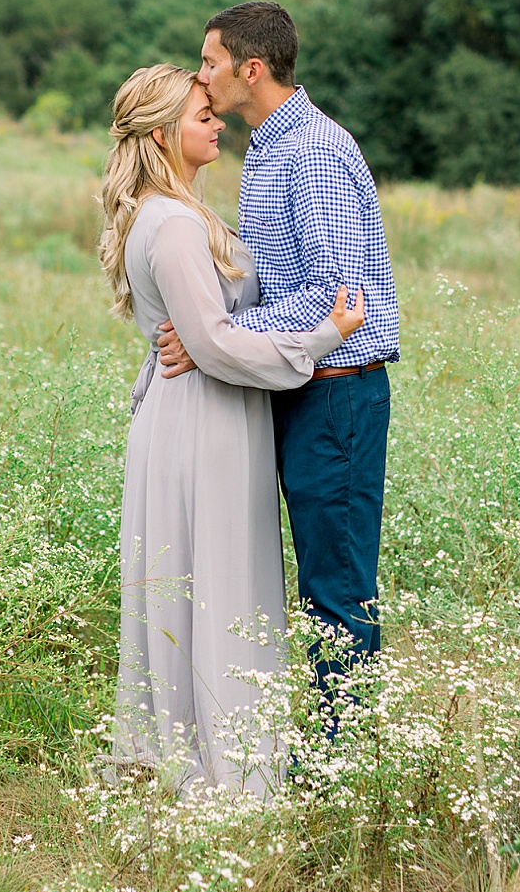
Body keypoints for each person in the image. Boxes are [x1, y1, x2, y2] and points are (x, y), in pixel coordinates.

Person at [98, 63, 366, 795]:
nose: (216, 122)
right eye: (200, 115)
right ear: (162, 134)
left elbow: (198, 333)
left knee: (206, 588)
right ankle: (229, 776)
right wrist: (318, 338)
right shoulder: (175, 223)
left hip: (201, 416)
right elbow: (211, 344)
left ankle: (213, 759)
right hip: (202, 423)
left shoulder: (175, 212)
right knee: (216, 589)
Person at [157, 1, 400, 696]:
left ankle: (341, 762)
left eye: (209, 62)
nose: (201, 78)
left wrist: (221, 340)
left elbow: (335, 298)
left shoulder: (313, 153)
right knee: (304, 584)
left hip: (337, 391)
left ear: (251, 68)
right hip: (295, 384)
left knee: (336, 588)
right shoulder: (267, 145)